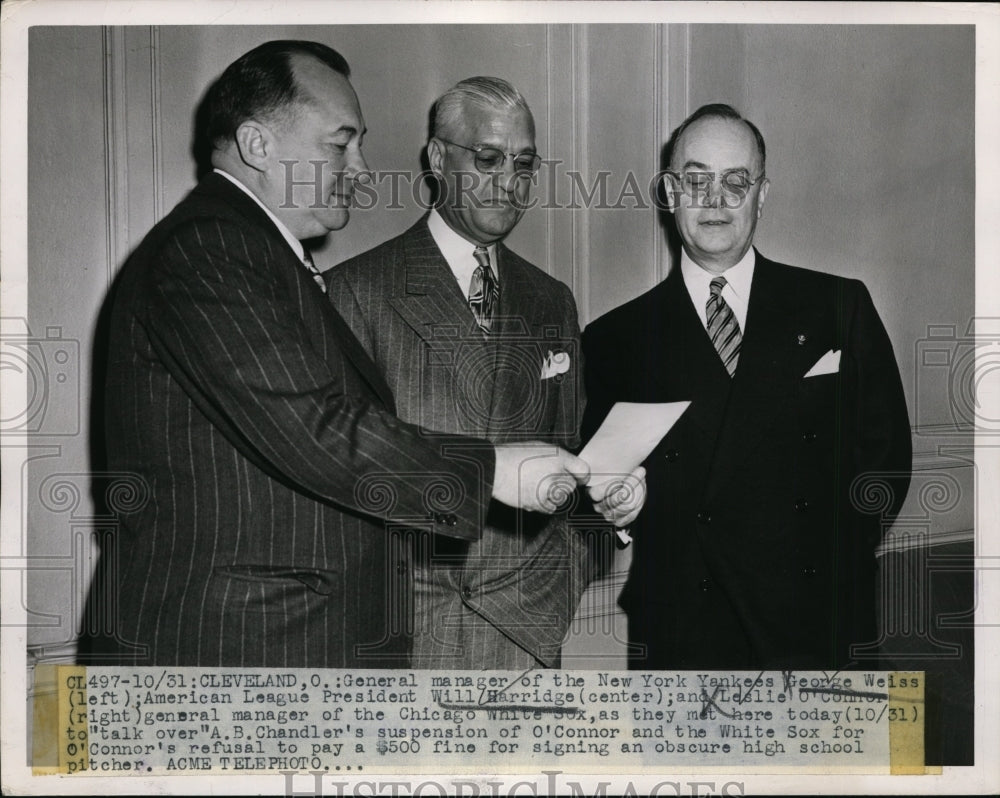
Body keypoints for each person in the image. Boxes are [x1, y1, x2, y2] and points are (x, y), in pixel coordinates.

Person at [101, 42, 592, 668]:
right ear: (257, 145)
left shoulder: (258, 254)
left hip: (292, 641)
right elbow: (313, 429)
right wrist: (492, 471)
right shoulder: (211, 247)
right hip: (242, 650)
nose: (361, 169)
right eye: (340, 144)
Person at [581, 103, 912, 670]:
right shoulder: (615, 337)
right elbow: (595, 489)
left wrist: (831, 561)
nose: (716, 200)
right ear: (669, 192)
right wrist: (616, 511)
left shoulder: (838, 305)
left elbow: (886, 460)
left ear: (762, 194)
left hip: (821, 621)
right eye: (697, 180)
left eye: (736, 181)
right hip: (686, 630)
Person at [328, 77, 643, 669]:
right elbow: (340, 472)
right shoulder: (356, 291)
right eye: (489, 158)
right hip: (402, 644)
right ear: (438, 158)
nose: (509, 181)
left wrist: (604, 515)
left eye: (523, 163)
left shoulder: (551, 301)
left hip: (525, 637)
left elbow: (572, 460)